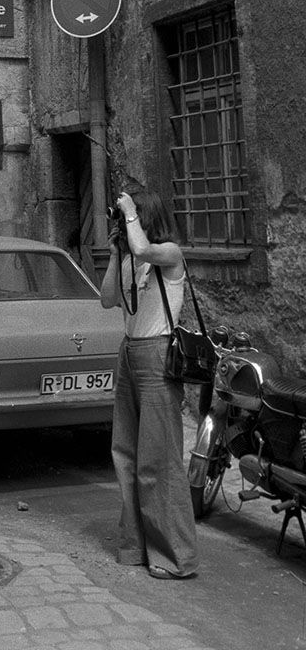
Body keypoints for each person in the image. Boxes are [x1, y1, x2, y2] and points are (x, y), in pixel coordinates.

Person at [99, 189, 199, 580]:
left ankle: (175, 557)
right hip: (130, 352)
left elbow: (143, 248)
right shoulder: (129, 259)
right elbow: (108, 300)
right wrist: (112, 253)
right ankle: (136, 546)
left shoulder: (169, 253)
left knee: (159, 458)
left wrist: (127, 212)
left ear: (145, 216)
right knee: (125, 452)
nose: (125, 223)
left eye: (132, 215)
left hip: (158, 355)